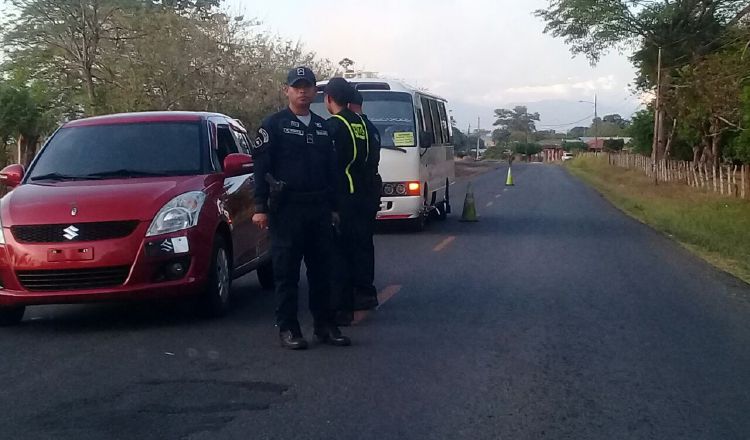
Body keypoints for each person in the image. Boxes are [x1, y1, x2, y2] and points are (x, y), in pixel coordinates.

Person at [252, 67, 350, 350]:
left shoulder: (322, 128)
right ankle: (288, 329)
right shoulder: (273, 125)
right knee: (287, 273)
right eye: (297, 86)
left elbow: (332, 172)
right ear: (287, 90)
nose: (303, 91)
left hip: (318, 208)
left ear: (316, 92)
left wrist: (334, 207)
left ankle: (325, 326)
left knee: (322, 271)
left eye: (308, 86)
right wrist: (260, 207)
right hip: (287, 210)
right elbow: (261, 168)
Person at [324, 78, 377, 326]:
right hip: (364, 195)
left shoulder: (334, 126)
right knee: (362, 246)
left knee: (339, 254)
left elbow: (330, 166)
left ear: (328, 99)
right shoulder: (364, 125)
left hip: (343, 197)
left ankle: (340, 307)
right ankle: (364, 294)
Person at [347, 89, 381, 317]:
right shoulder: (372, 129)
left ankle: (355, 293)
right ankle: (366, 291)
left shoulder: (351, 128)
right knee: (364, 244)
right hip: (370, 192)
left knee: (351, 246)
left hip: (354, 194)